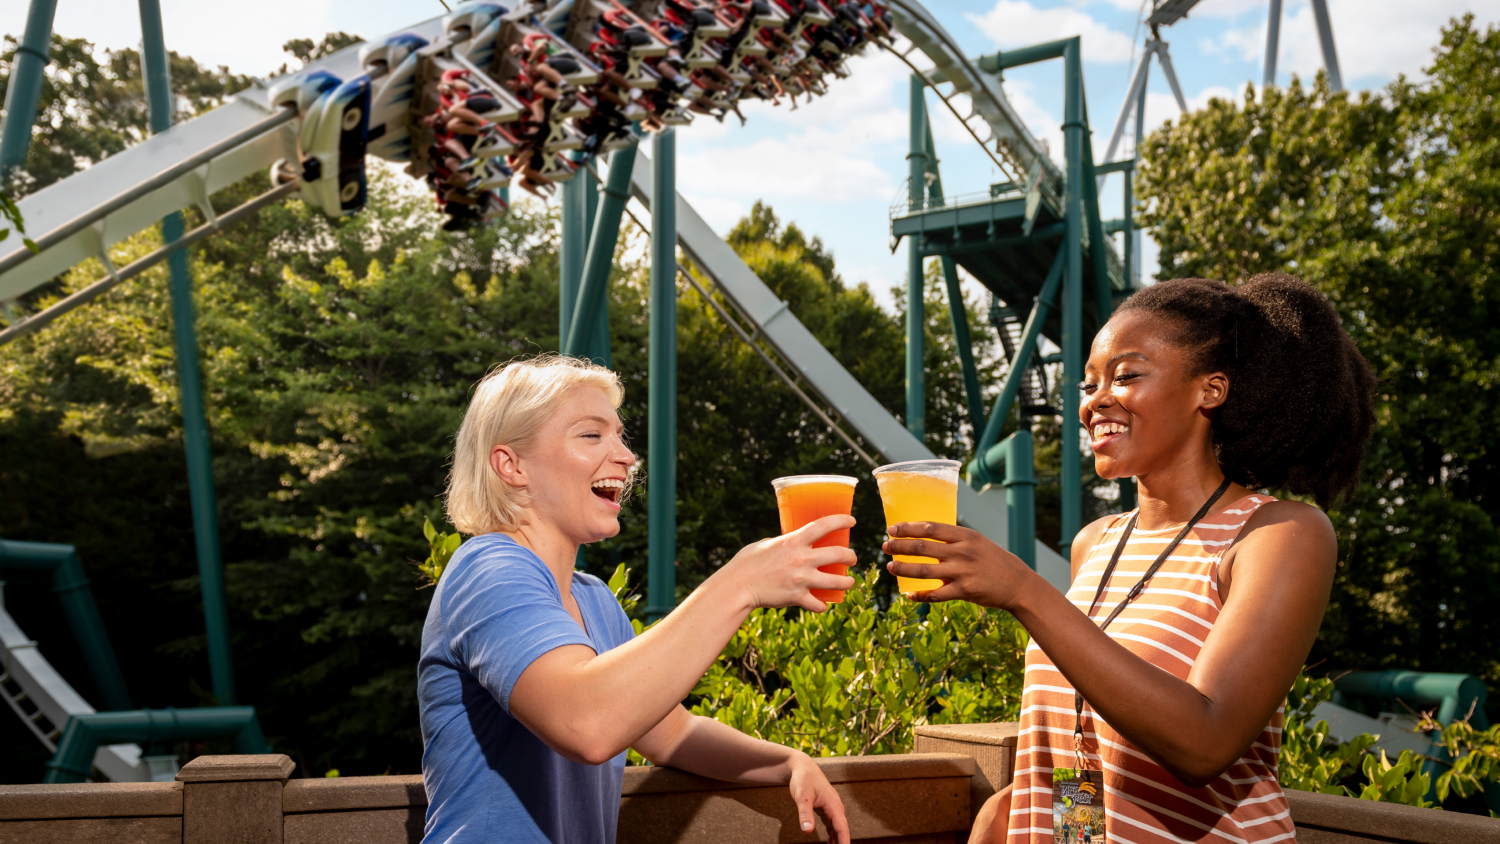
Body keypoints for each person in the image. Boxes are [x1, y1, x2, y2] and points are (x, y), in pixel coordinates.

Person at [881, 274, 1376, 844]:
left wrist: (1023, 591)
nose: (1096, 401)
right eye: (1089, 384)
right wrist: (1017, 819)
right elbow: (1084, 753)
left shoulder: (1279, 533)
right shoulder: (1096, 544)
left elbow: (1204, 743)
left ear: (1210, 391)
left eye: (1127, 375)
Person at [420, 356, 855, 843]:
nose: (626, 456)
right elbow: (587, 723)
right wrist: (740, 583)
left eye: (620, 436)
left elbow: (671, 734)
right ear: (511, 464)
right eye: (591, 435)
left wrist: (786, 760)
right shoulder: (487, 569)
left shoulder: (595, 600)